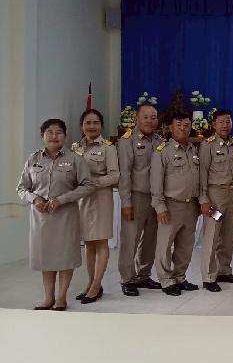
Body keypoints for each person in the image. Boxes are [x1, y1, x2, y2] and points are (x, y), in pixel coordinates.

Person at [17, 119, 95, 310]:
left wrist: (62, 199)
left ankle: (61, 298)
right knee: (46, 257)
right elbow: (21, 188)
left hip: (66, 215)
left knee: (65, 256)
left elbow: (88, 185)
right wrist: (34, 199)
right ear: (42, 136)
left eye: (58, 132)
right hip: (41, 217)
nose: (54, 136)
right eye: (49, 132)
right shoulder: (33, 159)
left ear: (65, 136)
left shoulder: (75, 159)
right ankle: (48, 298)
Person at [150, 110, 201, 296]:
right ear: (170, 128)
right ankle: (166, 280)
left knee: (185, 246)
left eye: (186, 125)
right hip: (171, 206)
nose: (183, 128)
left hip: (191, 205)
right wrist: (160, 207)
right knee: (165, 245)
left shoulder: (193, 150)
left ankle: (180, 277)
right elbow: (156, 182)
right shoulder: (162, 151)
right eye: (178, 125)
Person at [72, 109, 119, 304]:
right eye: (87, 123)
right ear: (82, 126)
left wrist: (93, 183)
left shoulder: (108, 148)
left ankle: (96, 285)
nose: (91, 126)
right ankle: (91, 283)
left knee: (100, 241)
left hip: (101, 198)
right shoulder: (75, 147)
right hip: (82, 200)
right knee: (88, 242)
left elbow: (115, 176)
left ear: (101, 126)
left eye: (96, 123)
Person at [117, 103, 162, 296]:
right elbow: (124, 174)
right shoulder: (127, 141)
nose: (150, 121)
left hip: (156, 198)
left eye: (153, 117)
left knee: (150, 239)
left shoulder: (159, 140)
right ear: (137, 118)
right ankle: (127, 279)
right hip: (136, 197)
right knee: (130, 240)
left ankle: (143, 275)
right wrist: (126, 202)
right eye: (146, 117)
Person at [198, 109, 233, 293]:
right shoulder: (207, 145)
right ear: (214, 124)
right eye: (221, 122)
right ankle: (208, 277)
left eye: (228, 122)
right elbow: (202, 173)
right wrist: (204, 199)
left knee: (227, 235)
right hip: (215, 196)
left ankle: (224, 270)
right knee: (212, 235)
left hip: (231, 195)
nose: (225, 125)